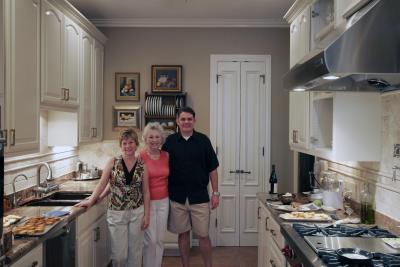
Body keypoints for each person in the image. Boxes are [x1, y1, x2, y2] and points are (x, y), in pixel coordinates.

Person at [75, 128, 150, 267]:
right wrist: (92, 200)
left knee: (135, 253)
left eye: (131, 142)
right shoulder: (113, 162)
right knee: (119, 255)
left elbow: (146, 191)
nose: (128, 146)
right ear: (121, 145)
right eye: (125, 143)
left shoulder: (142, 165)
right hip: (117, 212)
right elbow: (103, 184)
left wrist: (147, 215)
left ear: (136, 144)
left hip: (137, 212)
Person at [162, 107, 219, 267]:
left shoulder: (203, 140)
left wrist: (216, 193)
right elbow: (161, 166)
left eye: (189, 119)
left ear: (194, 120)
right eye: (183, 119)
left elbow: (213, 169)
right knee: (183, 234)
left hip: (199, 197)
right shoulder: (170, 142)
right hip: (177, 198)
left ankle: (208, 265)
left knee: (203, 235)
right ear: (177, 121)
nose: (186, 122)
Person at [140, 122, 170, 267]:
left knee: (159, 239)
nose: (154, 140)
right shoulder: (140, 156)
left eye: (157, 137)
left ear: (161, 139)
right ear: (145, 139)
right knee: (150, 240)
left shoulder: (166, 156)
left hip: (164, 201)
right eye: (151, 137)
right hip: (148, 202)